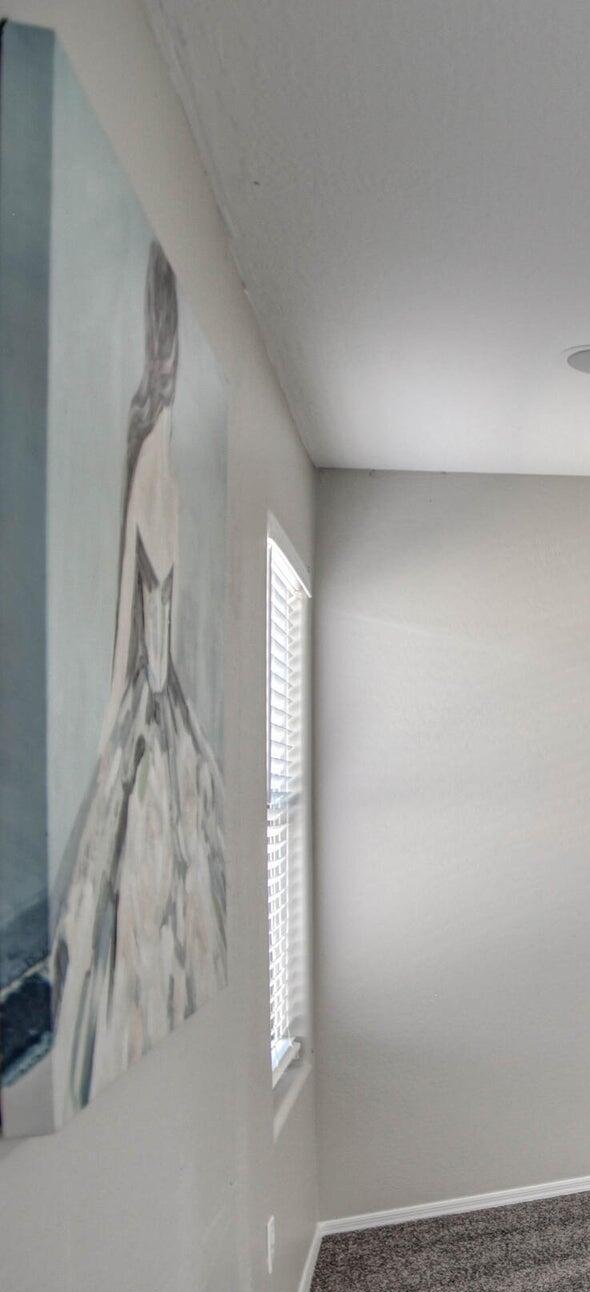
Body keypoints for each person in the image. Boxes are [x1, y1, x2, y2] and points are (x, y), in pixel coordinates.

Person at [46, 243, 229, 1111]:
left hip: (151, 701)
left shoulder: (149, 451)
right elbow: (155, 611)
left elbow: (138, 619)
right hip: (163, 704)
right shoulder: (163, 459)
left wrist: (118, 721)